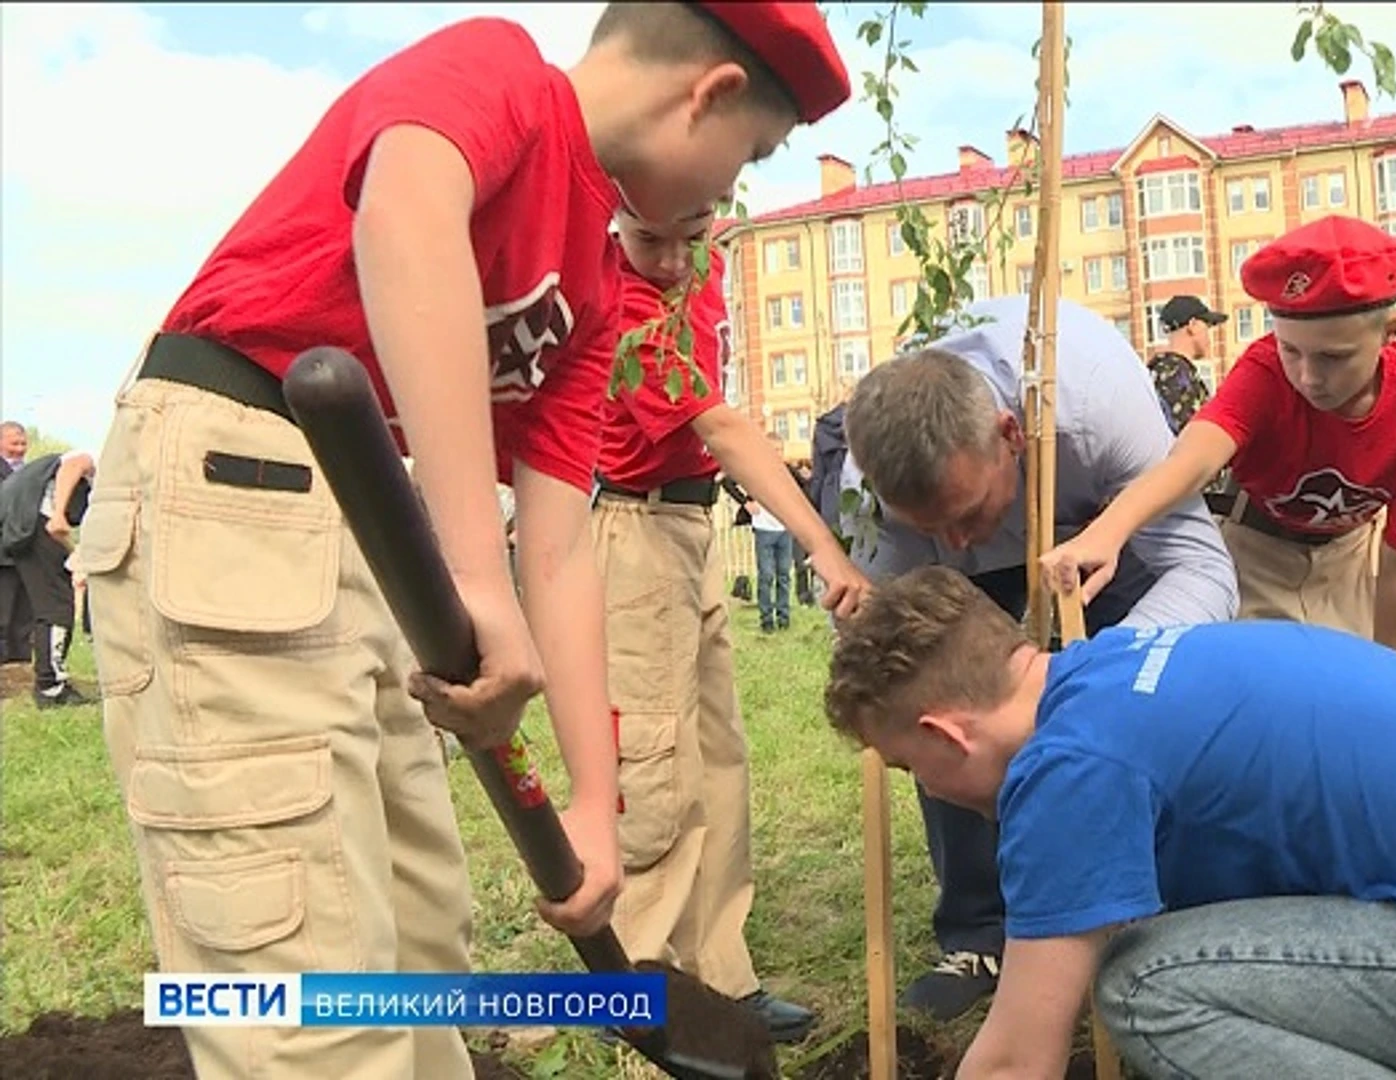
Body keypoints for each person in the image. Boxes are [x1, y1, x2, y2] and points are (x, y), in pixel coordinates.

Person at [72, 7, 849, 1079]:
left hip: (375, 533)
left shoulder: (589, 287)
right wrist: (478, 577)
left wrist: (592, 804)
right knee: (311, 996)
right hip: (239, 483)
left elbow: (563, 548)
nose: (730, 193)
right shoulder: (499, 74)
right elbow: (405, 218)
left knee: (417, 940)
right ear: (707, 94)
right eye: (751, 154)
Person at [823, 565, 1396, 1080]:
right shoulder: (1107, 670)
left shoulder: (1071, 770)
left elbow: (1016, 1062)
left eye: (907, 769)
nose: (922, 790)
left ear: (943, 733)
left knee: (1147, 988)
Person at [838, 294, 1238, 1020]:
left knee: (1127, 723)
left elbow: (1202, 570)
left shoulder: (1095, 403)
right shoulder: (869, 488)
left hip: (1105, 554)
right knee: (944, 710)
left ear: (1010, 434)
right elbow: (889, 665)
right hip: (968, 590)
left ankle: (1142, 912)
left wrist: (1099, 681)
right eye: (930, 528)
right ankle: (983, 928)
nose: (955, 541)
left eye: (965, 513)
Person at [592, 206, 865, 1043]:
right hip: (629, 532)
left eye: (694, 237)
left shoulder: (700, 274)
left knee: (718, 756)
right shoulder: (615, 294)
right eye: (652, 241)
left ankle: (718, 974)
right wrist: (822, 541)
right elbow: (715, 423)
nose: (675, 263)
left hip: (689, 524)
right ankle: (638, 995)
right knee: (654, 757)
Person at [1041, 215, 1396, 660]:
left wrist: (1386, 659)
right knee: (1262, 704)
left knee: (1380, 705)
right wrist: (1109, 533)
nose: (1307, 377)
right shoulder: (1264, 373)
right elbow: (1193, 460)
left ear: (1390, 331)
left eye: (1332, 357)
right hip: (1254, 554)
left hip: (1352, 559)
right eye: (1291, 349)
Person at [0, 448, 94, 707]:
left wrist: (78, 558)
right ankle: (50, 686)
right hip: (39, 524)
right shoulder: (100, 459)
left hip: (24, 528)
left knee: (48, 606)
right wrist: (59, 514)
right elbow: (75, 464)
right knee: (56, 607)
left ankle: (49, 680)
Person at [1145, 295, 1225, 434]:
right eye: (1207, 326)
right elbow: (1192, 435)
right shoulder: (1173, 372)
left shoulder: (1167, 369)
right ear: (1192, 325)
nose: (1209, 335)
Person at [746, 438, 797, 632]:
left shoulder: (788, 472)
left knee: (784, 575)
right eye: (773, 450)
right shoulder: (756, 471)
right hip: (764, 529)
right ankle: (766, 619)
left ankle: (784, 618)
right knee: (766, 575)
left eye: (780, 450)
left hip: (784, 529)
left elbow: (804, 489)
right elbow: (728, 480)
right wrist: (745, 502)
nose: (777, 454)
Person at [0, 421, 37, 664]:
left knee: (24, 613)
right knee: (2, 612)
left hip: (27, 553)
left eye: (23, 443)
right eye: (14, 443)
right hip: (2, 553)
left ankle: (21, 664)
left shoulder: (31, 472)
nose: (20, 448)